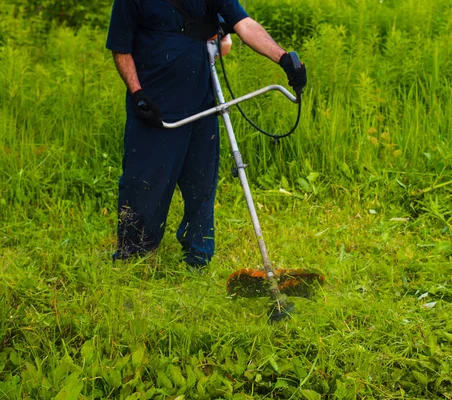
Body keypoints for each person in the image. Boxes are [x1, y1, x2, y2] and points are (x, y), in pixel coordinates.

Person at [106, 0, 306, 268]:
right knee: (143, 183)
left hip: (202, 102)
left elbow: (244, 24)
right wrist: (138, 94)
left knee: (201, 185)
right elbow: (121, 48)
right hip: (154, 106)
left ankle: (198, 255)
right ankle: (133, 254)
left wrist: (283, 58)